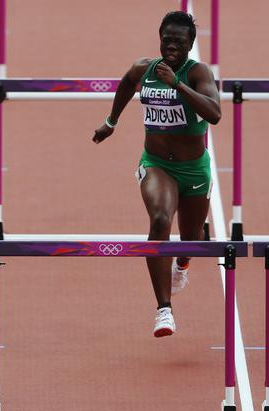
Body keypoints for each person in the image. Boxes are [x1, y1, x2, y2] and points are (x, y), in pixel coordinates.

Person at [92, 11, 221, 338]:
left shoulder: (197, 73)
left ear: (190, 44)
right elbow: (125, 85)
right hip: (156, 164)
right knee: (161, 220)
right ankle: (164, 310)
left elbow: (215, 113)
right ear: (159, 39)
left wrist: (177, 84)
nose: (172, 46)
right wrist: (111, 122)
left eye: (179, 41)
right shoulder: (144, 68)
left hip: (194, 169)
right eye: (167, 40)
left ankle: (183, 264)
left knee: (191, 239)